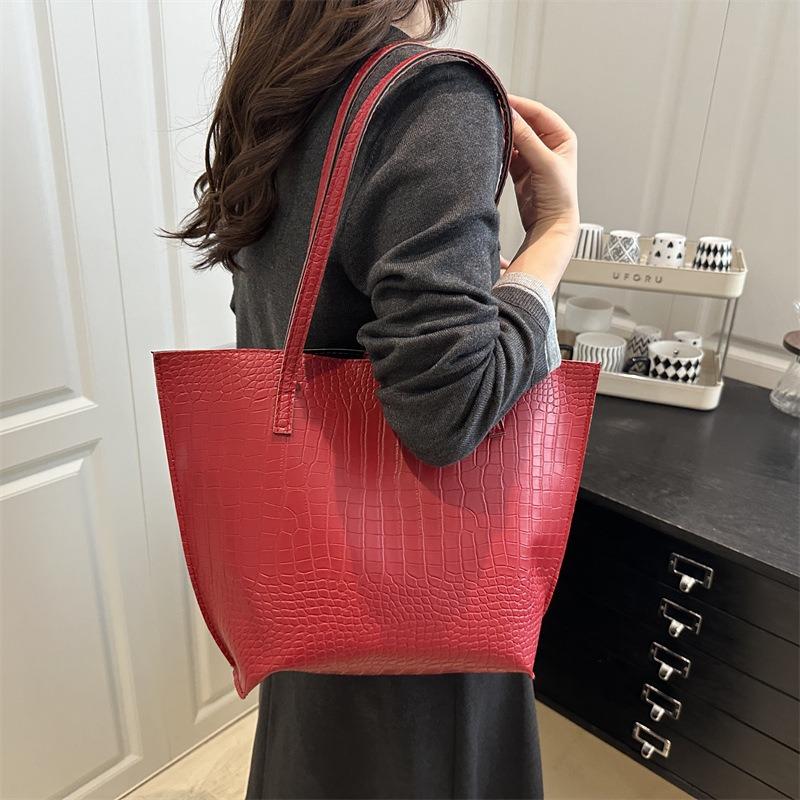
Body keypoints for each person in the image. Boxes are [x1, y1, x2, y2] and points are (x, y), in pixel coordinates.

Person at [162, 0, 579, 797]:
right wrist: (554, 232)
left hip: (305, 561)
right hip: (425, 588)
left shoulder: (280, 89)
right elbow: (450, 408)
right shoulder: (430, 96)